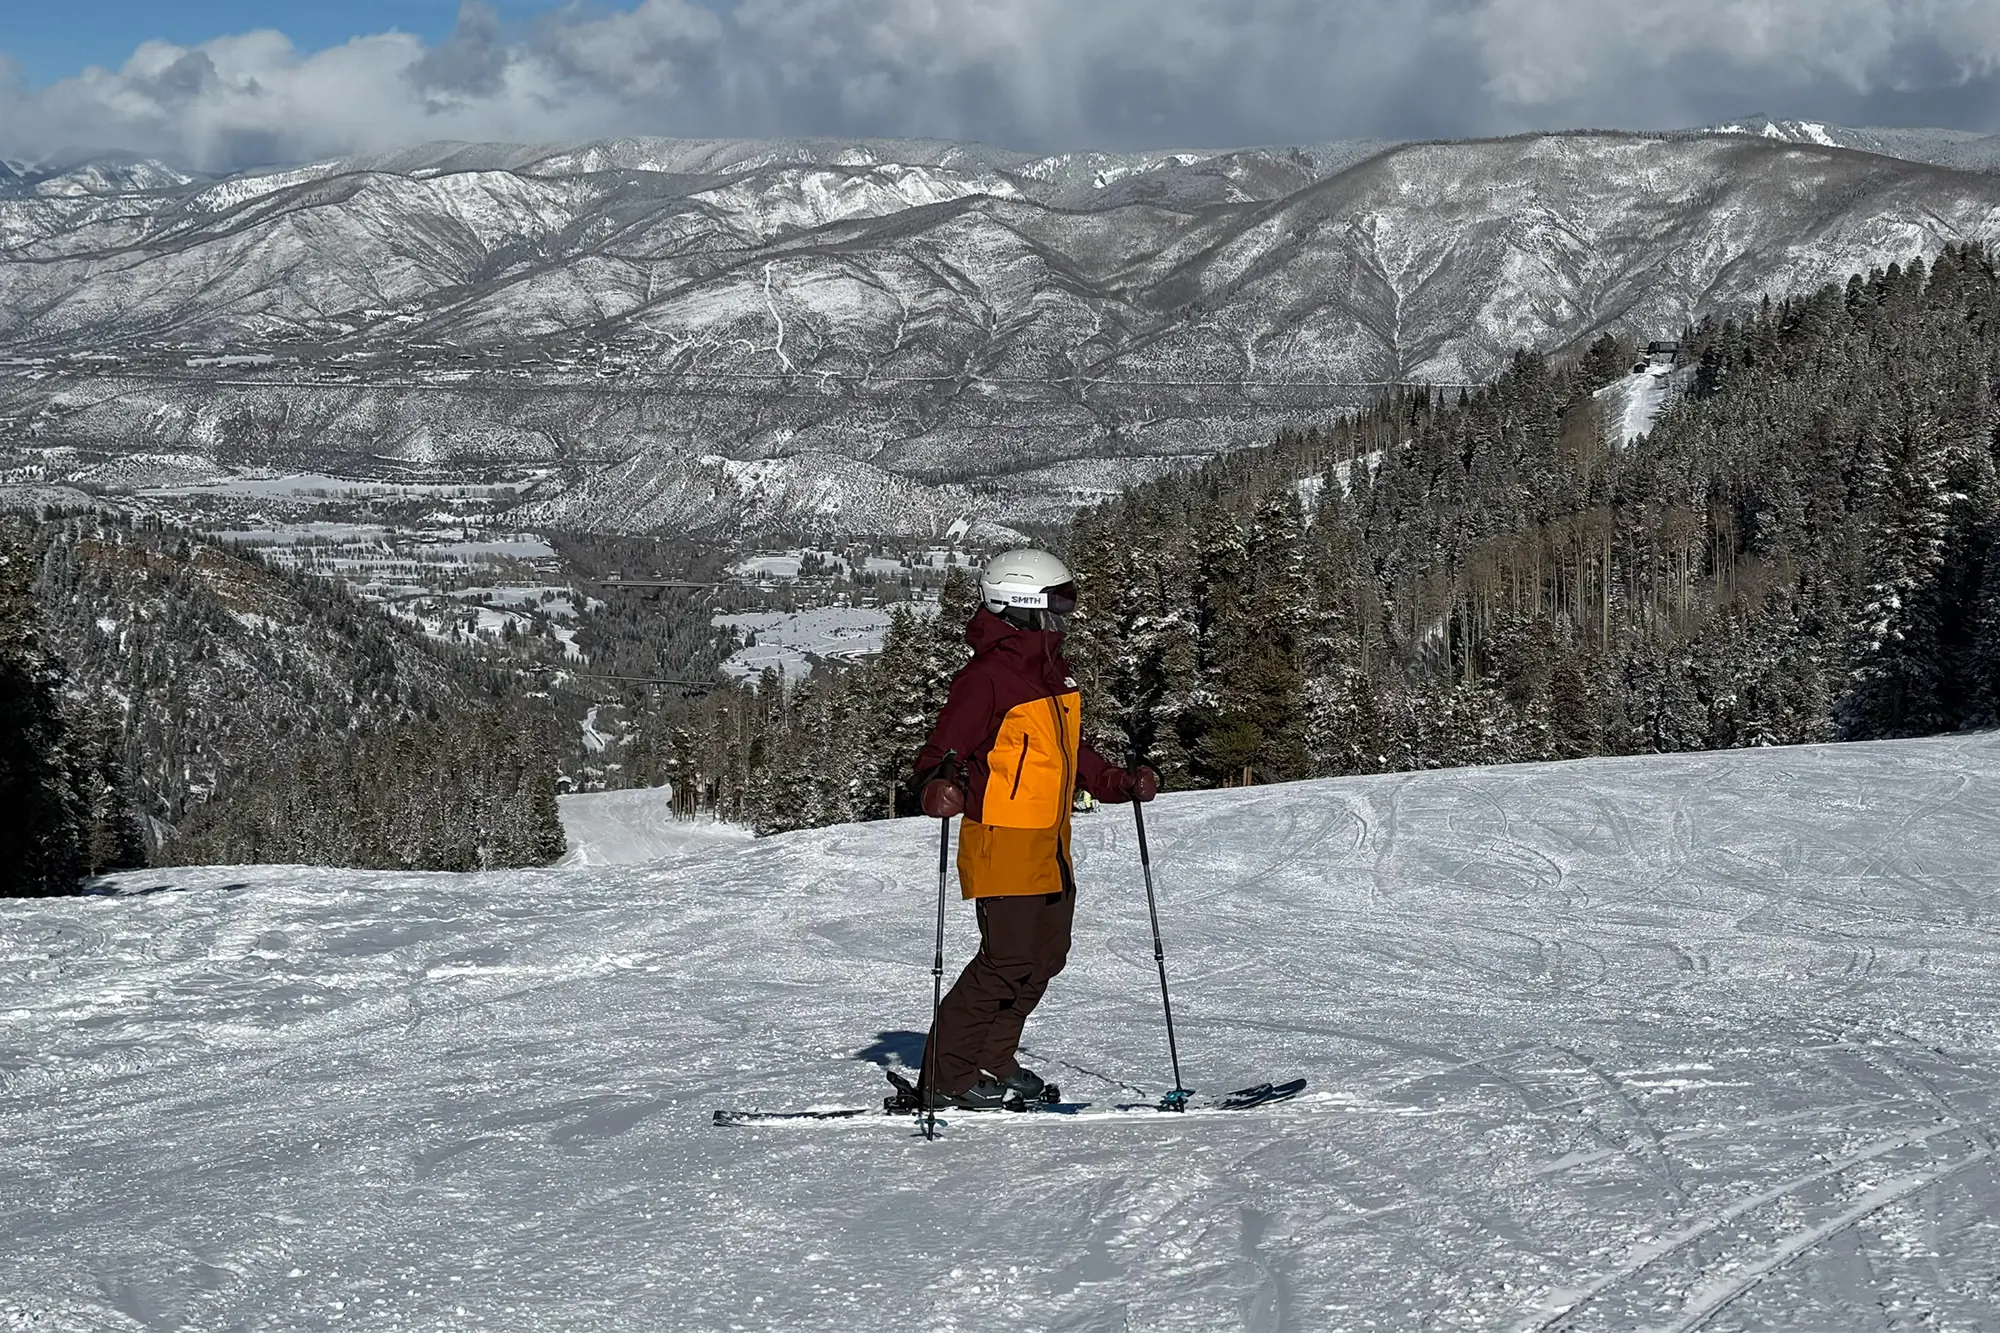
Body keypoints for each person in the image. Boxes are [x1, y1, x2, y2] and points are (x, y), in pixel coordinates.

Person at [909, 548, 1159, 1110]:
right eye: (1058, 602)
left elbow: (1073, 752)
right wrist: (936, 787)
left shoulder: (1052, 673)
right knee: (1006, 960)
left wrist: (1117, 782)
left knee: (1045, 958)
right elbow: (940, 753)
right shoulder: (986, 679)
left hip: (1051, 840)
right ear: (1022, 604)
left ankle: (993, 1058)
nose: (1067, 614)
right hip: (1003, 837)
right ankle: (945, 1075)